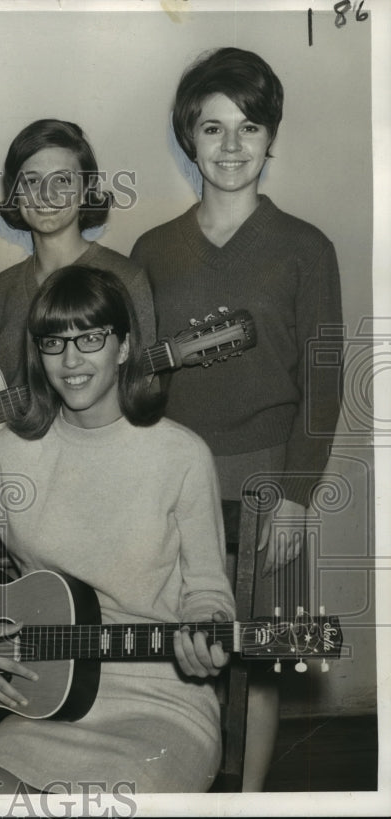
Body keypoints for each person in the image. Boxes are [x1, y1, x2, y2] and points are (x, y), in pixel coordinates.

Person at [0, 265, 235, 794]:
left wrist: (207, 630)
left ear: (122, 347)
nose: (71, 361)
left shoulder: (181, 455)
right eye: (54, 342)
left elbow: (207, 591)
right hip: (43, 695)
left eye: (90, 338)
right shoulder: (13, 453)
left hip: (162, 697)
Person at [130, 46, 343, 791]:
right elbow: (137, 386)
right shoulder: (152, 250)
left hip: (267, 478)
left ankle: (249, 799)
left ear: (270, 137)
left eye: (248, 128)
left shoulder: (306, 248)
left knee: (258, 654)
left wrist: (296, 492)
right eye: (213, 129)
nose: (230, 147)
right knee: (185, 645)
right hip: (175, 475)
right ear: (190, 137)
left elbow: (323, 384)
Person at [0, 119, 155, 387]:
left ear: (85, 190)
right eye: (32, 181)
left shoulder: (126, 278)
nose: (46, 194)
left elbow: (143, 389)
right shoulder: (2, 287)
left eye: (62, 180)